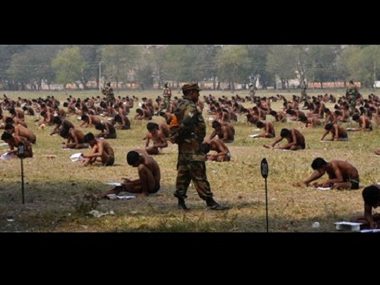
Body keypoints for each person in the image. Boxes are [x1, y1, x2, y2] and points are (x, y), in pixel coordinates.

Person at [169, 82, 229, 211]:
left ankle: (181, 201)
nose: (198, 95)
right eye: (197, 92)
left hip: (184, 146)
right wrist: (179, 136)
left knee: (183, 172)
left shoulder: (180, 104)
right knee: (199, 172)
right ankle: (209, 201)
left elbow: (174, 123)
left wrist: (176, 137)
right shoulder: (190, 106)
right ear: (191, 93)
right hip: (192, 145)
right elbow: (186, 123)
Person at [92, 150, 161, 198]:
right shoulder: (140, 158)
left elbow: (149, 181)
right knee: (122, 187)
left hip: (154, 186)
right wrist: (131, 183)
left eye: (134, 164)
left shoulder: (147, 163)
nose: (134, 166)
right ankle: (101, 195)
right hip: (147, 184)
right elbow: (144, 179)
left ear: (138, 159)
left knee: (141, 168)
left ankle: (145, 193)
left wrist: (133, 183)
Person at [294, 157, 360, 190]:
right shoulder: (328, 168)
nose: (319, 172)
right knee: (333, 184)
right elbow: (332, 180)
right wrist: (321, 184)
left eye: (319, 170)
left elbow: (340, 179)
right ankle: (305, 182)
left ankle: (305, 182)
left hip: (353, 181)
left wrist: (328, 181)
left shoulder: (334, 165)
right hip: (345, 180)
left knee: (336, 185)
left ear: (323, 166)